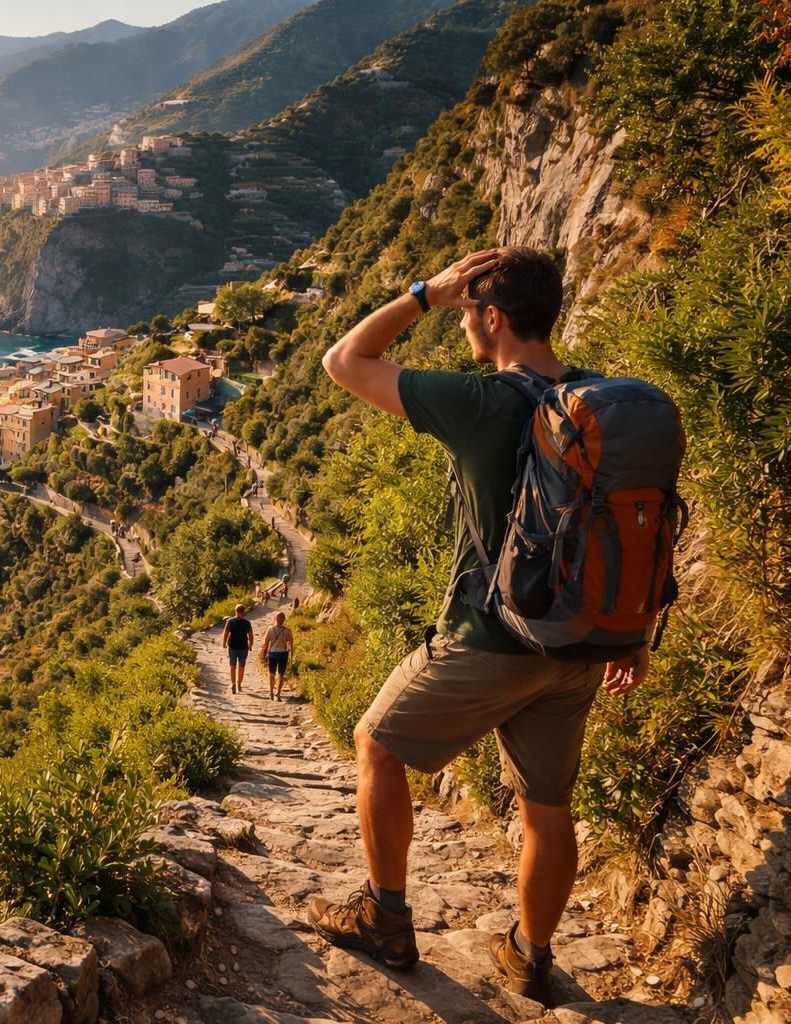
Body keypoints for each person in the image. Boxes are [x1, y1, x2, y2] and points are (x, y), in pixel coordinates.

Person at [305, 247, 650, 1006]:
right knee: (547, 807)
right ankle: (531, 958)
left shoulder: (482, 403)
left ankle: (386, 921)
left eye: (469, 315)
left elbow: (344, 359)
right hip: (581, 643)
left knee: (377, 743)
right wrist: (635, 631)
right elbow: (632, 521)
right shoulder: (593, 404)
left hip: (492, 639)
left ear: (491, 317)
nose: (464, 325)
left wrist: (425, 293)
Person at [221, 604, 254, 696]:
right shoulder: (247, 623)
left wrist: (224, 643)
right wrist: (250, 645)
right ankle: (239, 684)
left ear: (235, 611)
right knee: (241, 666)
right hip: (243, 647)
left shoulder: (230, 621)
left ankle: (233, 684)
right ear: (243, 612)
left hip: (232, 647)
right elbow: (251, 636)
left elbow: (226, 633)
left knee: (232, 666)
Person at [261, 611, 293, 701]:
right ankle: (278, 693)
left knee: (271, 673)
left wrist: (264, 654)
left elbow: (265, 643)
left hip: (273, 654)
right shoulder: (287, 631)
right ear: (284, 620)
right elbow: (291, 644)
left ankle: (271, 692)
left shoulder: (270, 629)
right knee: (281, 674)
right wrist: (292, 656)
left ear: (275, 619)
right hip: (283, 654)